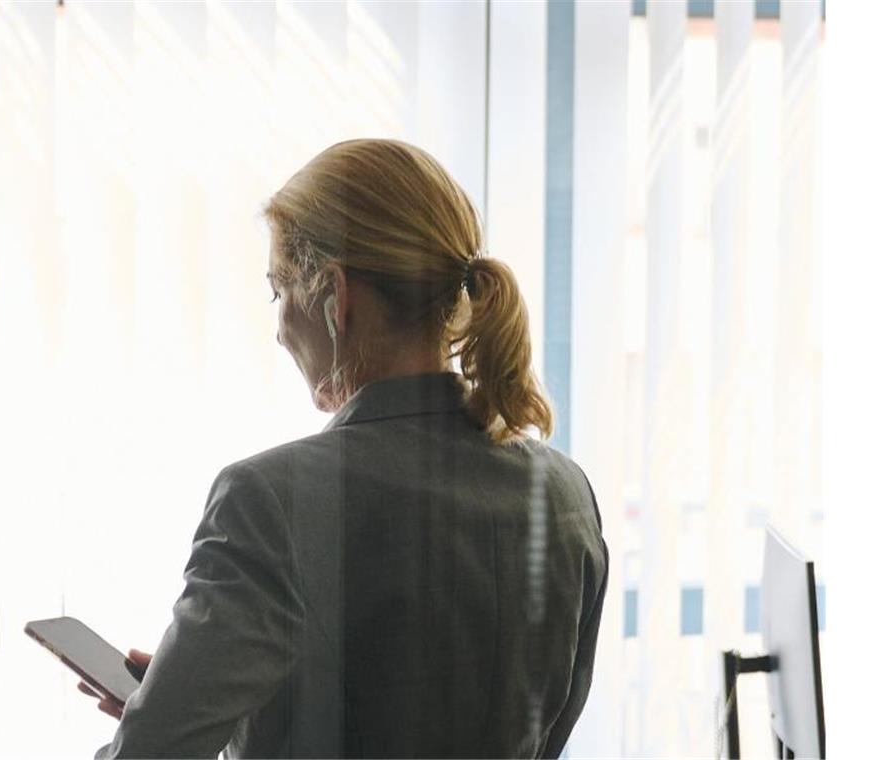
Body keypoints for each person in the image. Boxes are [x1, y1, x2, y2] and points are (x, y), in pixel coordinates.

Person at [80, 138, 608, 758]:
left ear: (336, 297)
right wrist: (210, 700)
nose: (278, 331)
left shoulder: (269, 501)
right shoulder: (566, 492)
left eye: (279, 292)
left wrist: (171, 722)